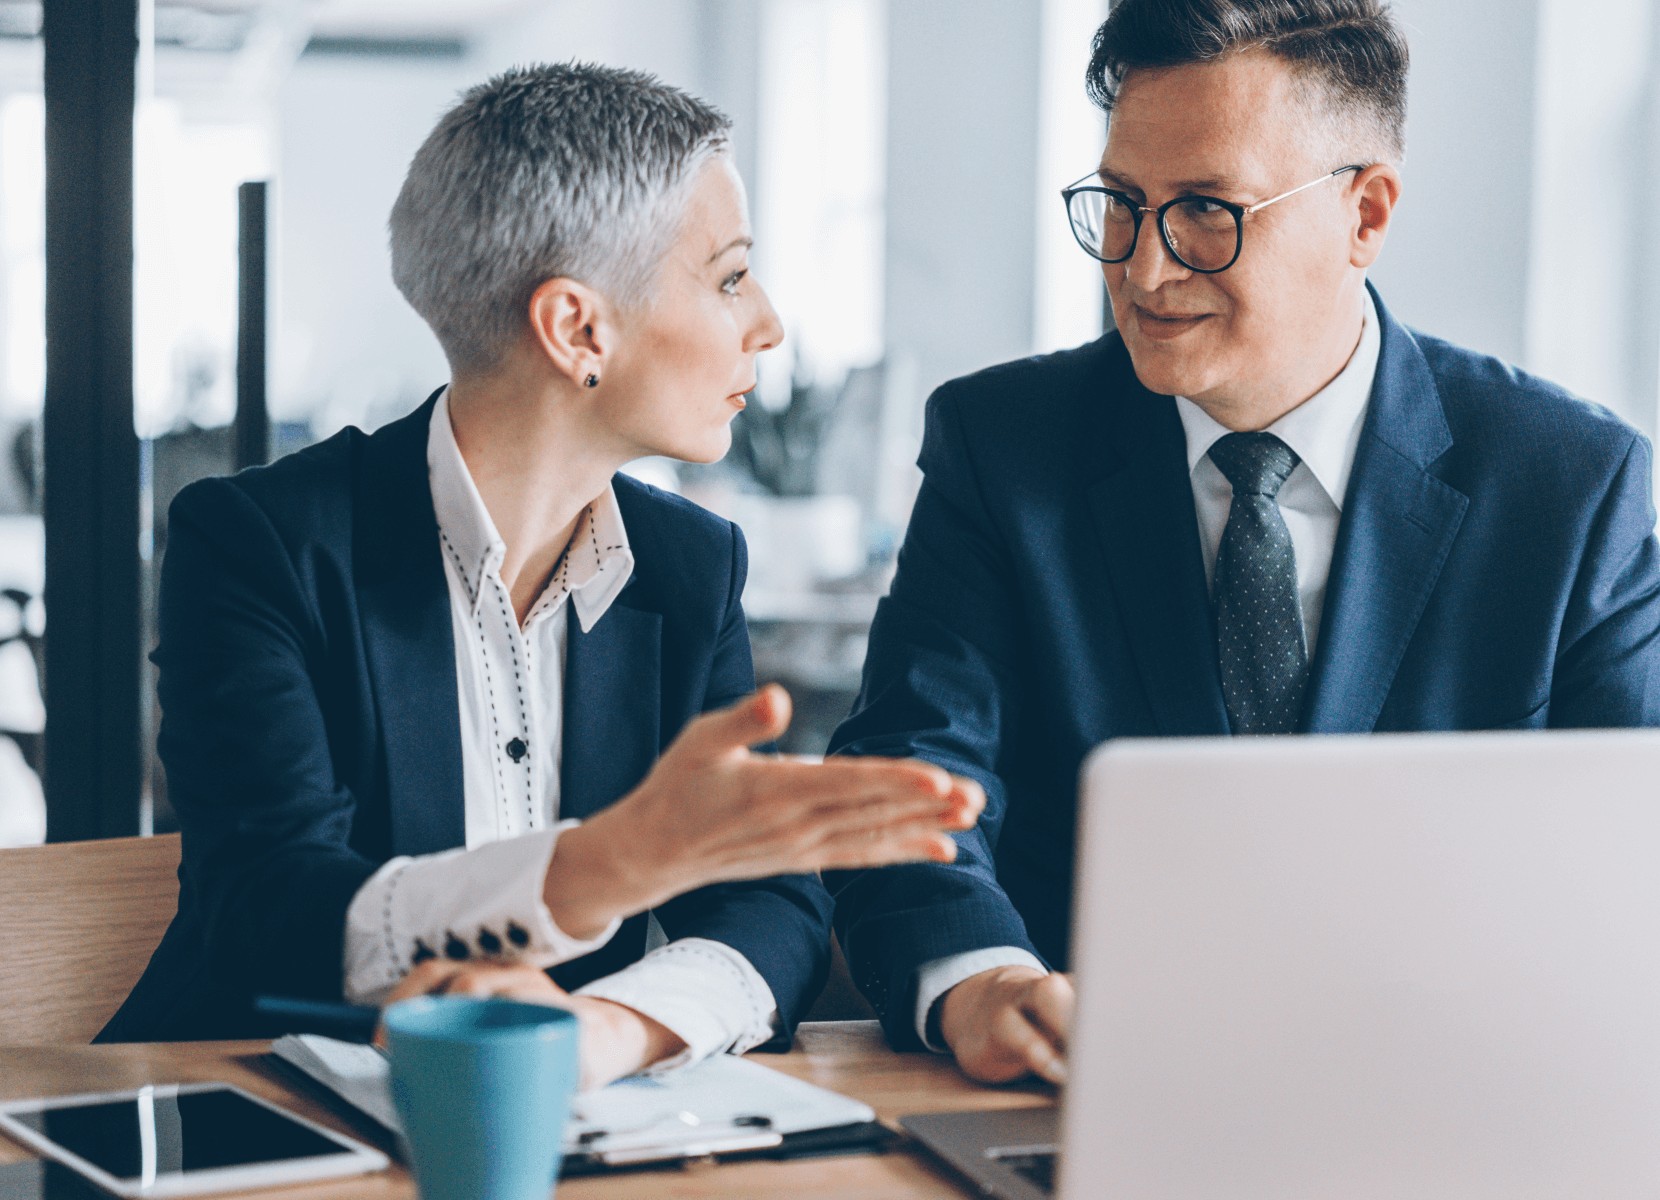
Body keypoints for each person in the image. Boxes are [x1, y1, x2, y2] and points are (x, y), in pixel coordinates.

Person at [827, 0, 1660, 1089]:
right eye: (1121, 206)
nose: (1144, 272)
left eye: (1207, 213)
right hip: (1080, 1096)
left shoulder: (1569, 483)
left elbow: (1628, 858)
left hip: (1454, 1097)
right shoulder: (1003, 445)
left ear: (1365, 214)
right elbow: (910, 771)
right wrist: (980, 979)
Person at [100, 63, 983, 1089]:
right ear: (577, 329)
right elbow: (268, 912)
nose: (768, 324)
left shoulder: (690, 569)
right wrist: (597, 868)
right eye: (732, 276)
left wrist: (605, 1029)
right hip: (251, 1117)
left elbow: (771, 906)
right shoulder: (259, 545)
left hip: (557, 1126)